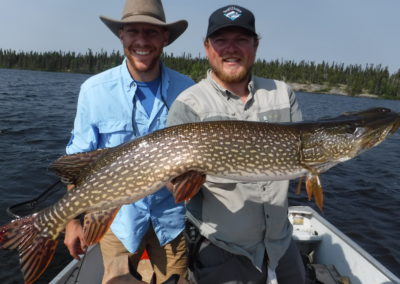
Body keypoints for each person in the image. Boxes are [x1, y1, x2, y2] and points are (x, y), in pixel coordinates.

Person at [167, 5, 306, 284]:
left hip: (280, 246)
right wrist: (182, 180)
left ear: (255, 44)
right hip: (223, 250)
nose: (231, 48)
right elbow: (174, 183)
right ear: (207, 47)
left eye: (241, 39)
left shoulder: (282, 93)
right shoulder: (189, 104)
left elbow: (302, 157)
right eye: (221, 40)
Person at [64, 0, 194, 283]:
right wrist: (72, 220)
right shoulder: (94, 91)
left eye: (151, 33)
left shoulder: (189, 91)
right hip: (117, 223)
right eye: (133, 31)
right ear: (121, 35)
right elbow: (78, 161)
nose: (141, 41)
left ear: (165, 38)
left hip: (170, 222)